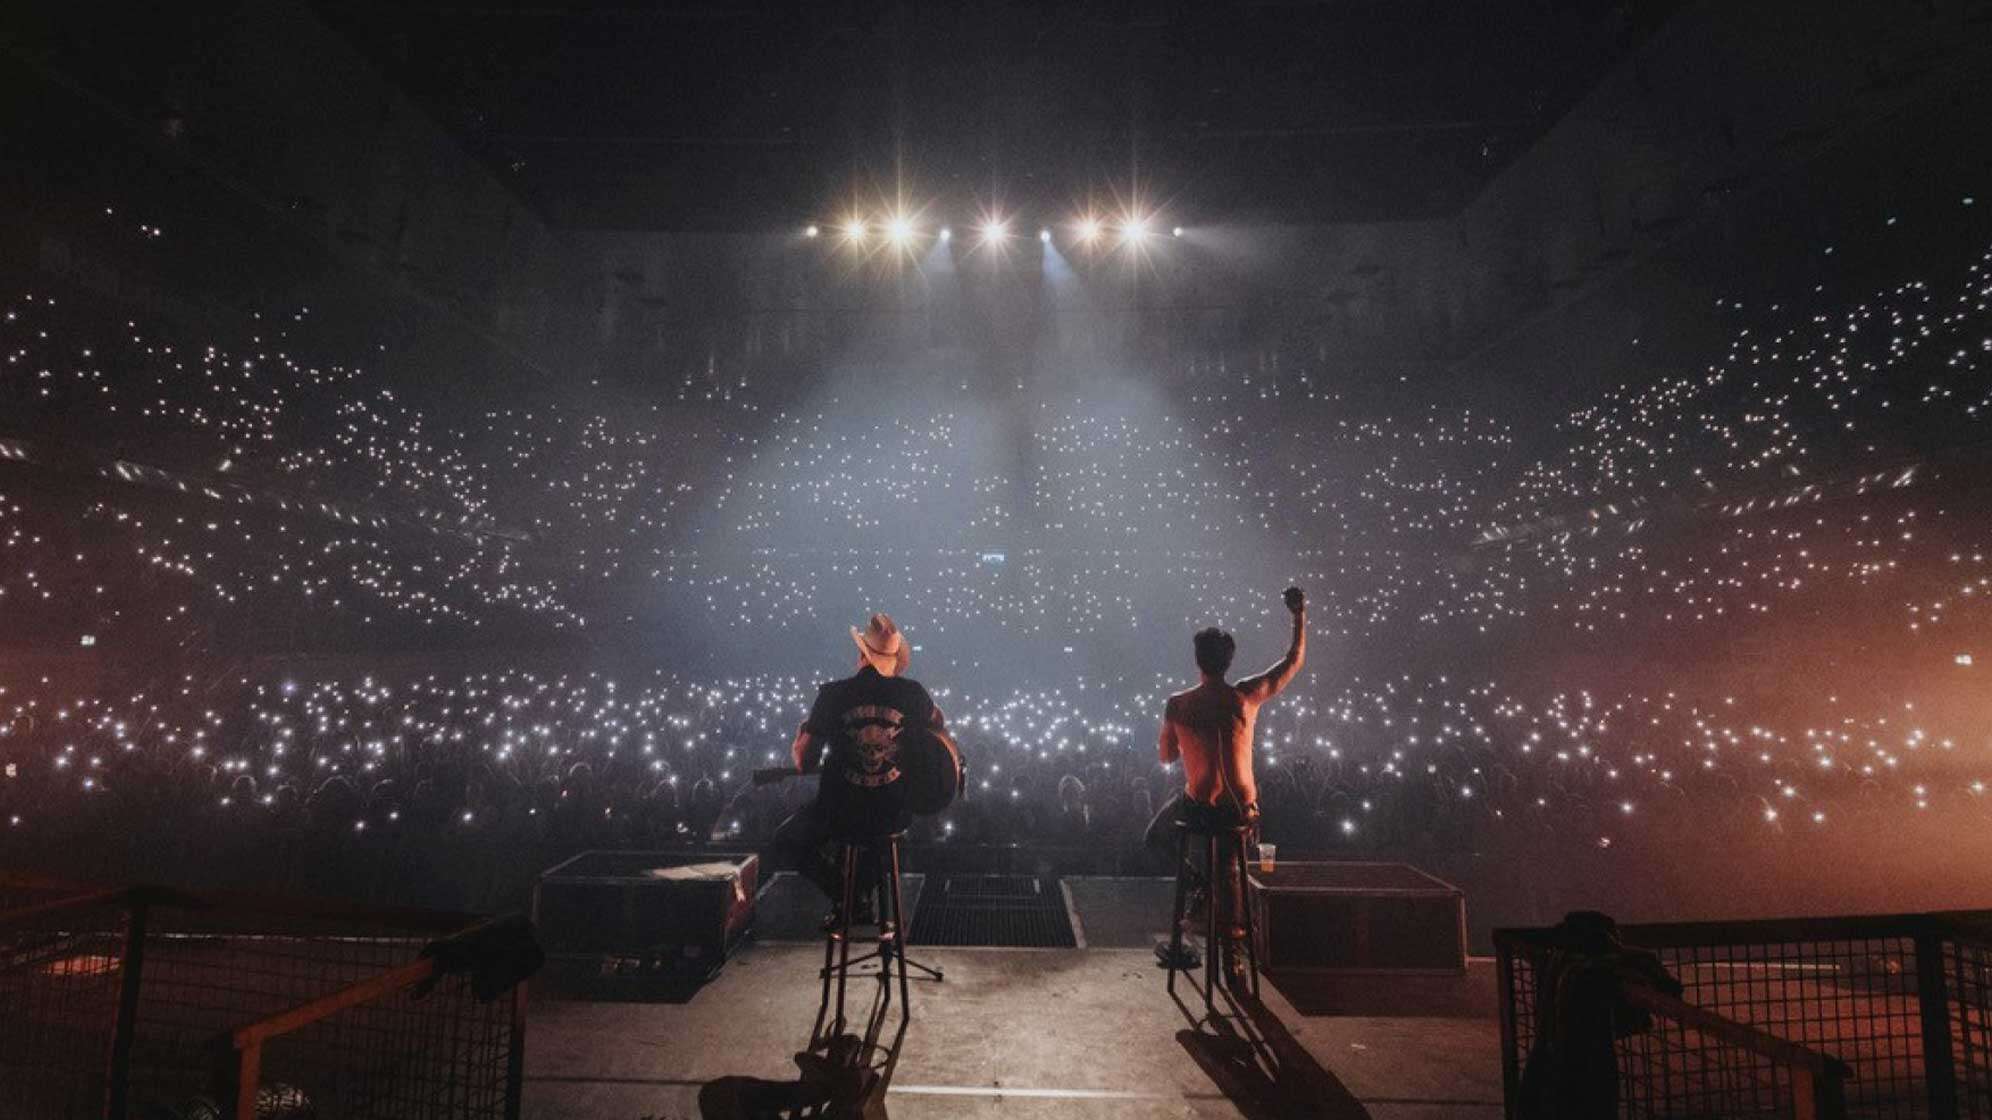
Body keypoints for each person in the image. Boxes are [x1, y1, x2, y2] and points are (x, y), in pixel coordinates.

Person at [1149, 586, 1306, 980]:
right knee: (1230, 867)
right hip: (1241, 809)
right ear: (1229, 661)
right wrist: (1299, 616)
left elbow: (1166, 757)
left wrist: (1189, 743)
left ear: (1197, 660)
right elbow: (1292, 662)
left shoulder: (1178, 704)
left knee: (1156, 837)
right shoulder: (1246, 697)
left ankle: (1199, 893)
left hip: (1200, 807)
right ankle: (1232, 957)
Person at [772, 612, 948, 931]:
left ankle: (847, 897)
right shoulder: (913, 694)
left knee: (786, 841)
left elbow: (804, 762)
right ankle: (857, 897)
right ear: (893, 658)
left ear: (860, 654)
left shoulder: (833, 695)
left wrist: (803, 732)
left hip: (840, 812)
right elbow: (940, 728)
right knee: (878, 839)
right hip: (893, 813)